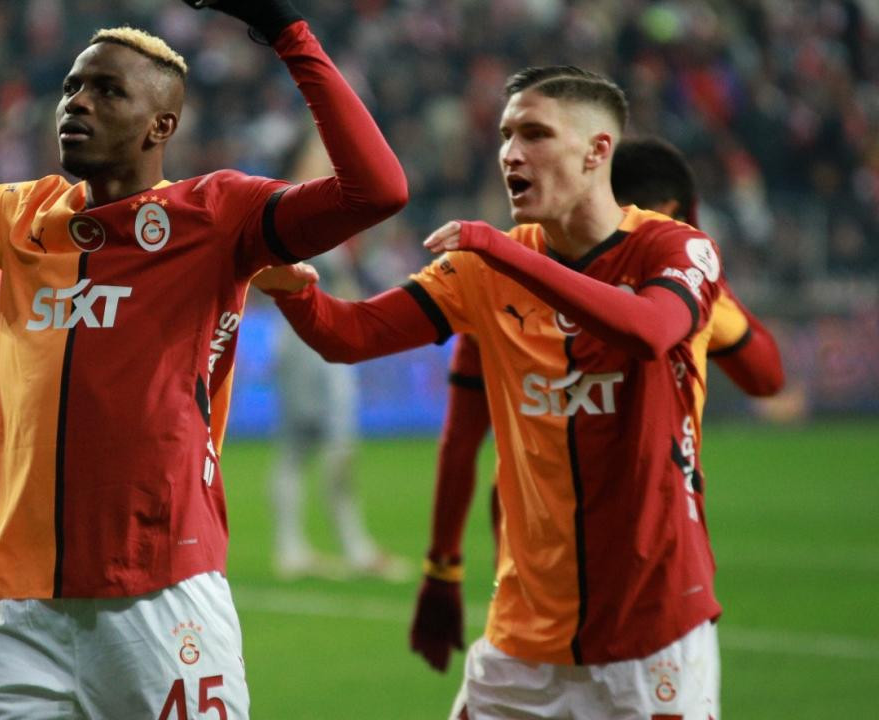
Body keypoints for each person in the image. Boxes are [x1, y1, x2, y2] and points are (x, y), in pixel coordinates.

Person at [0, 0, 407, 717]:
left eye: (108, 91)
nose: (77, 102)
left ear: (160, 126)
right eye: (72, 87)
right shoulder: (21, 216)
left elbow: (378, 190)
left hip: (159, 597)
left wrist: (285, 29)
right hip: (17, 609)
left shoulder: (216, 215)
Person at [255, 66, 727, 718]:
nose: (510, 152)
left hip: (651, 641)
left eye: (535, 134)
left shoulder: (675, 248)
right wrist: (292, 290)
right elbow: (351, 335)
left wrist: (506, 255)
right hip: (521, 640)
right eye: (506, 134)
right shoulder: (485, 267)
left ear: (597, 151)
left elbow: (649, 330)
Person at [407, 136, 786, 678]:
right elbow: (766, 377)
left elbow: (460, 441)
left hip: (528, 586)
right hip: (640, 596)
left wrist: (442, 566)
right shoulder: (676, 294)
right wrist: (713, 292)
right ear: (670, 211)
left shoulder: (498, 285)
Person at [266, 136, 409, 581]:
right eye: (319, 155)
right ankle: (349, 547)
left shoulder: (309, 210)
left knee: (302, 447)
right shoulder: (294, 210)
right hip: (311, 341)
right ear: (299, 161)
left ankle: (295, 548)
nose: (328, 163)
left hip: (303, 340)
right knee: (327, 444)